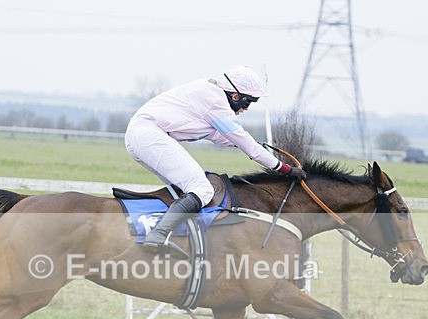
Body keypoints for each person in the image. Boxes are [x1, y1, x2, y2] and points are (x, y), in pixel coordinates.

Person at [125, 65, 306, 259]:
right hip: (149, 135)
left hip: (142, 136)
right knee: (202, 189)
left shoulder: (211, 96)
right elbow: (241, 139)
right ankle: (158, 235)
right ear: (235, 96)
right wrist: (283, 168)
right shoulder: (216, 101)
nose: (246, 109)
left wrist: (255, 147)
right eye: (248, 102)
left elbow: (225, 137)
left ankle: (173, 235)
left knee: (187, 188)